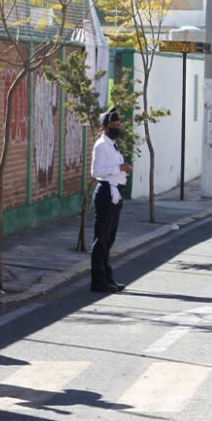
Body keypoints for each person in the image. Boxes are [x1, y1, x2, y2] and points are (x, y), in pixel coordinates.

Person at [89, 110, 132, 293]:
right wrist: (120, 167)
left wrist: (122, 169)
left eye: (118, 124)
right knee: (101, 239)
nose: (117, 127)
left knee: (109, 239)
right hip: (106, 193)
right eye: (113, 125)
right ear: (105, 127)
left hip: (115, 193)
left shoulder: (112, 144)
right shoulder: (101, 145)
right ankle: (98, 281)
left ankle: (107, 277)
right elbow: (96, 171)